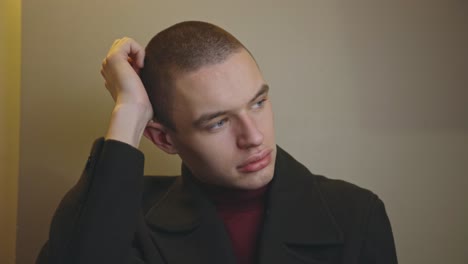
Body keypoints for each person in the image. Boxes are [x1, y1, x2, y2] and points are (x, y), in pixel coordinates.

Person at [37, 21, 398, 264]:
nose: (254, 137)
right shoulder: (129, 219)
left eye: (258, 103)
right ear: (163, 139)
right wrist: (129, 111)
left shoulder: (356, 213)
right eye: (218, 122)